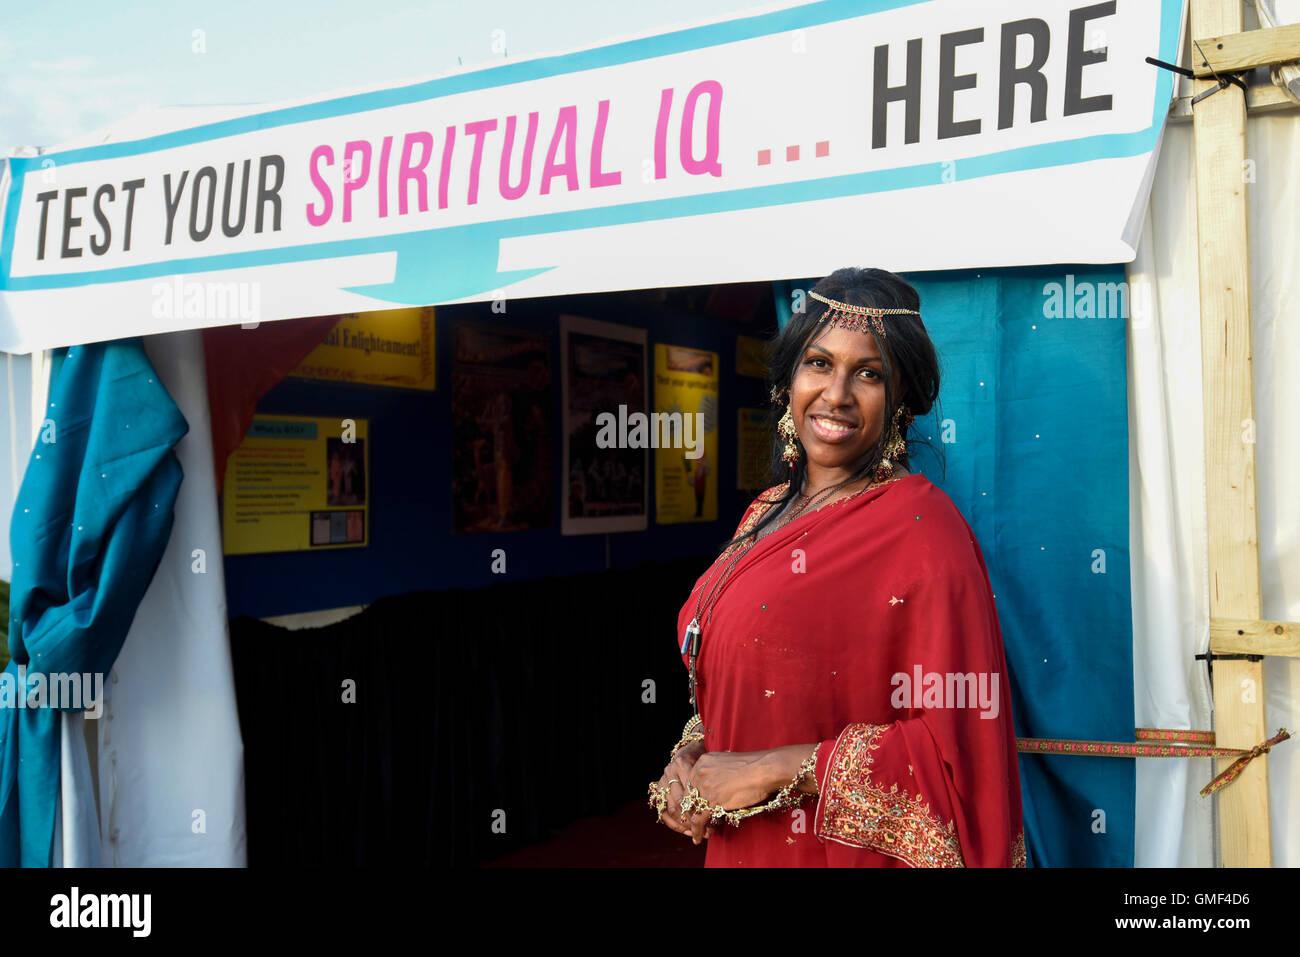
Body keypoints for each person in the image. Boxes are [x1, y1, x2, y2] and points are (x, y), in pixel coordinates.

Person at [648, 267, 1025, 867]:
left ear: (901, 400)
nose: (837, 394)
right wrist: (693, 761)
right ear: (788, 379)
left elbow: (960, 750)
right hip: (744, 845)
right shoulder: (766, 512)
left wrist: (778, 768)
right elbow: (749, 682)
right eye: (819, 363)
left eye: (869, 373)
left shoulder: (923, 534)